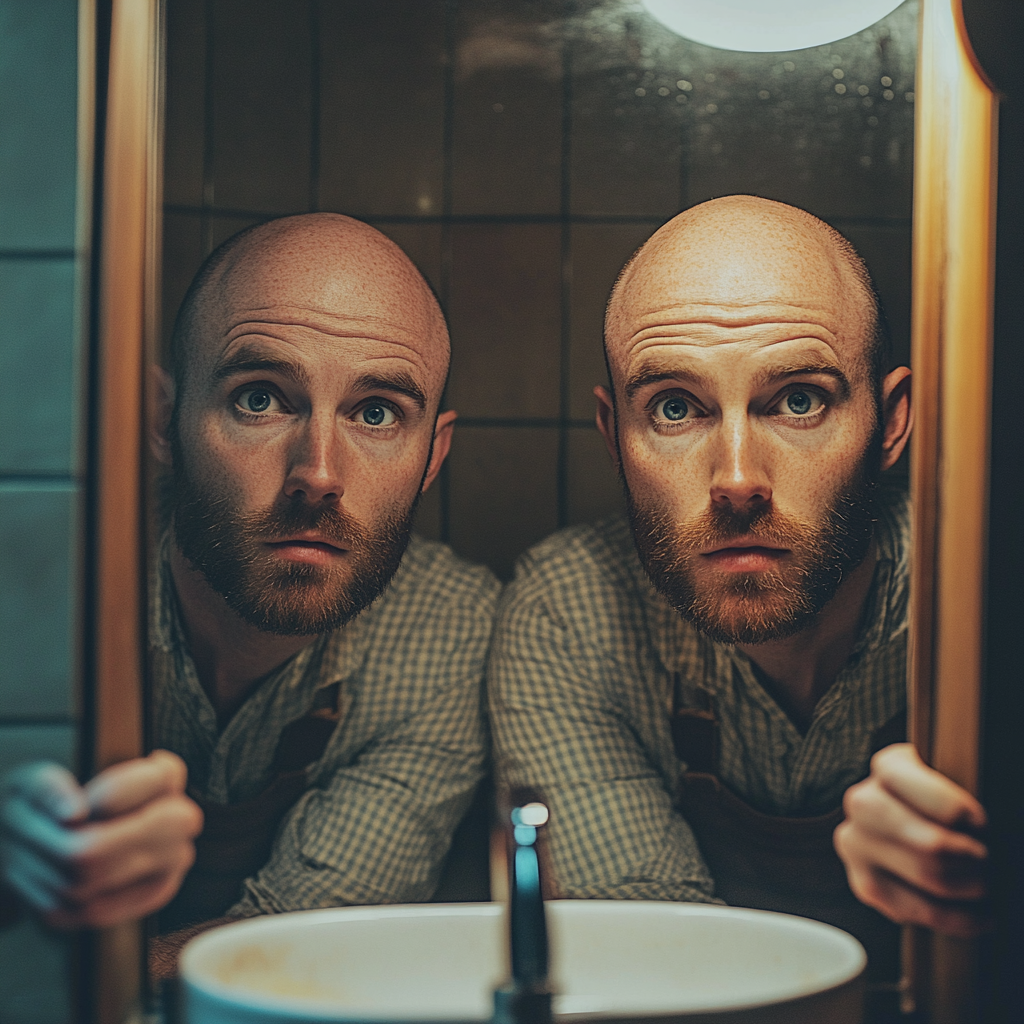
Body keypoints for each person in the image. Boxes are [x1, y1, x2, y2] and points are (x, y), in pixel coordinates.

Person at [488, 196, 987, 1008]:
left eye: (798, 400)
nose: (737, 479)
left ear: (891, 423)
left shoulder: (976, 600)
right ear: (616, 436)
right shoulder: (570, 614)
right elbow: (659, 958)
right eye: (676, 409)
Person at [0, 214, 500, 966]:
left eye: (375, 413)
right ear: (164, 422)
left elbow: (303, 941)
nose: (320, 473)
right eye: (260, 399)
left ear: (433, 455)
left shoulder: (452, 634)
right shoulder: (42, 600)